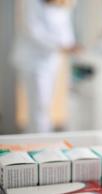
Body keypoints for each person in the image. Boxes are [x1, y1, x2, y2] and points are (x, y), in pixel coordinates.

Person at [13, 0, 79, 133]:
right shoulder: (32, 3)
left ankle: (42, 138)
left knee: (45, 105)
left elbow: (65, 28)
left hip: (51, 60)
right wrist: (60, 46)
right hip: (33, 61)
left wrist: (71, 45)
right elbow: (33, 31)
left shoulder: (63, 5)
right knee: (38, 105)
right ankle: (37, 140)